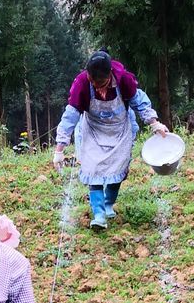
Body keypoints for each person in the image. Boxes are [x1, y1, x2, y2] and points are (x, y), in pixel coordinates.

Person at [52, 50, 169, 228]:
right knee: (93, 170)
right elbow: (70, 116)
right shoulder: (81, 83)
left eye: (103, 83)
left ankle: (108, 204)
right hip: (93, 130)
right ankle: (98, 214)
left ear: (109, 75)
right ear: (88, 76)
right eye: (94, 83)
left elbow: (139, 102)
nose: (99, 88)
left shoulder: (123, 79)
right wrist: (59, 148)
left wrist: (154, 123)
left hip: (119, 130)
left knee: (117, 168)